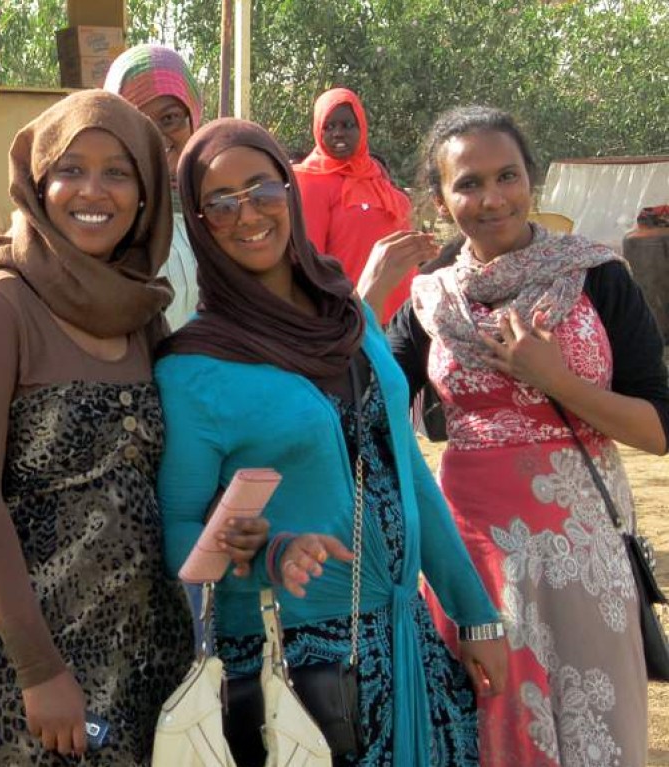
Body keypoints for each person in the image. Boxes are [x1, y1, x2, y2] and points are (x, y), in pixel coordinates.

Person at [157, 118, 508, 765]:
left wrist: (474, 613)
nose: (247, 213)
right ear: (200, 223)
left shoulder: (349, 317)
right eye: (221, 202)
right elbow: (182, 535)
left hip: (406, 650)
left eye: (261, 188)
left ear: (289, 190)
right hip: (298, 673)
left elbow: (408, 476)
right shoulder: (194, 367)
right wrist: (267, 551)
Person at [389, 106, 669, 766]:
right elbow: (362, 401)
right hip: (472, 560)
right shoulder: (431, 300)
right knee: (491, 736)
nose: (491, 199)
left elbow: (659, 430)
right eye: (468, 183)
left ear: (531, 181)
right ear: (439, 199)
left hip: (583, 560)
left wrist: (558, 380)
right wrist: (369, 297)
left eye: (506, 176)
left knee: (597, 735)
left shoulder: (598, 276)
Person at [0, 90, 192, 764]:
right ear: (38, 182)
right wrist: (37, 667)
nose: (92, 190)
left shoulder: (139, 310)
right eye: (71, 168)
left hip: (143, 646)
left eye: (118, 171)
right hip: (40, 655)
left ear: (145, 194)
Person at [294, 87, 425, 321]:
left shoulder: (376, 175)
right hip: (352, 319)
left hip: (406, 317)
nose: (338, 133)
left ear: (362, 127)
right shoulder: (311, 181)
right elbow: (310, 262)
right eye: (329, 127)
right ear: (317, 130)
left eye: (347, 125)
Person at [103, 43, 203, 328]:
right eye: (140, 122)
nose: (158, 137)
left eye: (170, 118)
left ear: (193, 118)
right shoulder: (106, 216)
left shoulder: (220, 205)